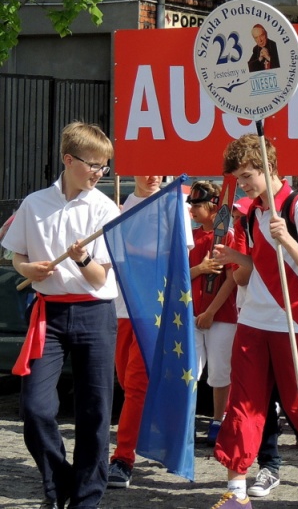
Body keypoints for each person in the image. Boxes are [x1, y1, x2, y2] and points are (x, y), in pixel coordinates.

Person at [210, 134, 298, 509]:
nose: (245, 182)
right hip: (253, 319)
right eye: (239, 176)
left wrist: (287, 240)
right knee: (242, 402)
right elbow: (254, 271)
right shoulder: (253, 212)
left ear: (270, 168)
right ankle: (236, 491)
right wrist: (235, 256)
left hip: (292, 322)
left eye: (249, 174)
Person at [2, 122, 120, 508]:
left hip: (95, 314)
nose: (99, 173)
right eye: (94, 165)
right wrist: (27, 270)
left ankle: (87, 498)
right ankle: (60, 484)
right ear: (69, 160)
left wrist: (83, 258)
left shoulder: (104, 208)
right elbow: (15, 254)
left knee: (95, 413)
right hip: (48, 315)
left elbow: (99, 276)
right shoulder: (34, 203)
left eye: (105, 166)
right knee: (35, 409)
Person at [108, 175, 195, 489]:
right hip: (120, 308)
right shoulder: (116, 210)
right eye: (146, 167)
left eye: (159, 168)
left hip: (155, 312)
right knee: (125, 381)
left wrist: (130, 247)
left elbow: (178, 261)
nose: (153, 175)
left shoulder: (174, 206)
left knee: (136, 384)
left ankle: (123, 457)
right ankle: (148, 435)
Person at [187, 181, 239, 446]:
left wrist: (210, 312)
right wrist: (200, 269)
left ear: (212, 205)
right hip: (190, 313)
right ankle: (186, 421)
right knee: (190, 371)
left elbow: (231, 279)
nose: (192, 209)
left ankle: (219, 419)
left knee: (220, 372)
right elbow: (179, 274)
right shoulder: (189, 236)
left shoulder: (227, 236)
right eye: (192, 204)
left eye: (197, 204)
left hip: (222, 314)